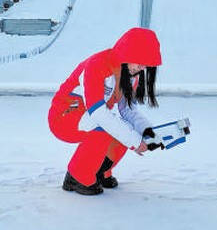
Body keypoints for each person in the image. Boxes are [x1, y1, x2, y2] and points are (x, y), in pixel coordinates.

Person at [48, 27, 163, 195]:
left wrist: (147, 132)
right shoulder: (96, 65)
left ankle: (100, 170)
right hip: (64, 116)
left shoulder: (130, 76)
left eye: (145, 63)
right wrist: (135, 143)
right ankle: (77, 177)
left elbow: (127, 110)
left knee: (123, 128)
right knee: (105, 127)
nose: (141, 67)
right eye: (139, 60)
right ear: (127, 52)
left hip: (90, 116)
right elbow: (98, 112)